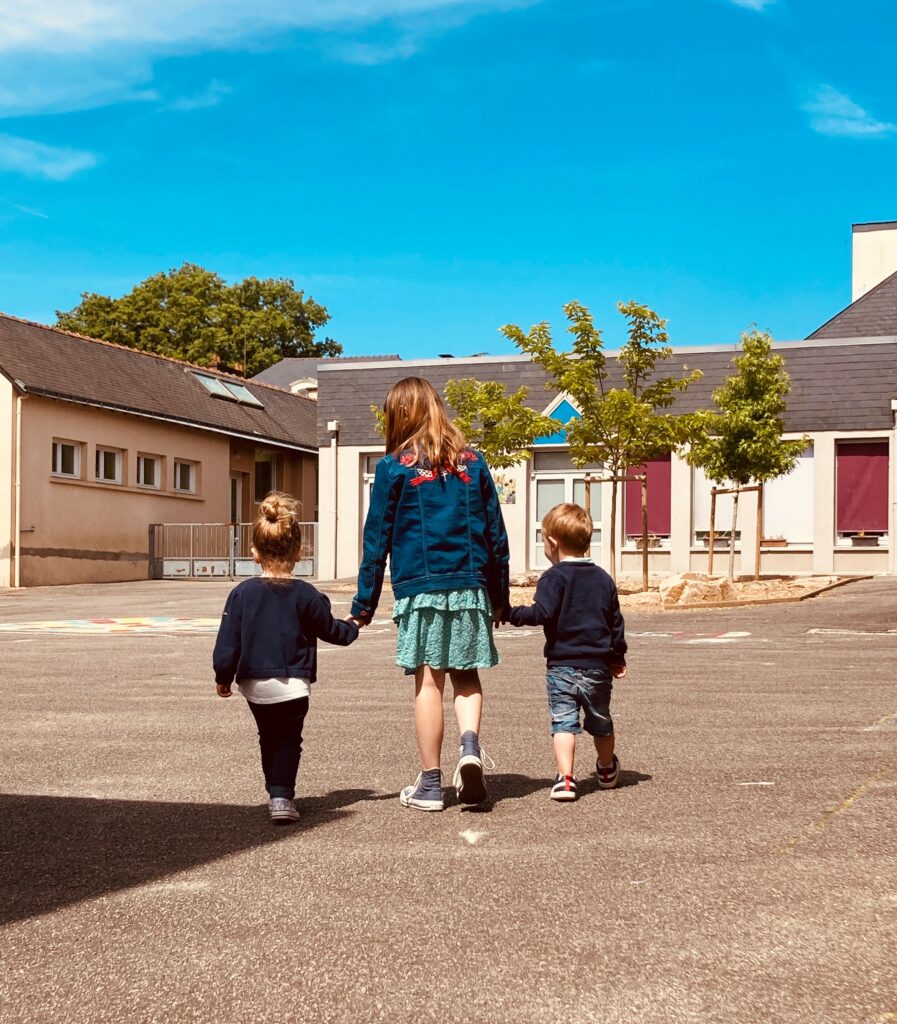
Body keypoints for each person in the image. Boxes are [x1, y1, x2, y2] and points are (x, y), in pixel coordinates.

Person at [352, 377, 510, 811]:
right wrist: (500, 596)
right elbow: (496, 534)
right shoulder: (473, 462)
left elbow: (376, 540)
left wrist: (363, 606)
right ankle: (470, 748)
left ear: (399, 415)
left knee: (428, 682)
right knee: (466, 676)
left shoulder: (393, 468)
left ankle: (429, 784)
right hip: (470, 586)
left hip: (419, 589)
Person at [214, 492, 359, 823]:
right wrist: (353, 626)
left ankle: (275, 791)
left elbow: (227, 642)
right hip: (293, 683)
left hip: (255, 685)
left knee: (268, 737)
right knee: (289, 739)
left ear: (254, 553)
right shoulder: (307, 594)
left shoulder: (241, 594)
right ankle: (281, 795)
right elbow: (331, 630)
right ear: (298, 553)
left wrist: (223, 676)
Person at [505, 502, 627, 802]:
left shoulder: (554, 577)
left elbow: (541, 613)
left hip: (561, 665)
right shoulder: (603, 579)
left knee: (563, 723)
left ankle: (566, 779)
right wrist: (617, 656)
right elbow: (615, 623)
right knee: (601, 720)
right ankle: (606, 768)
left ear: (553, 542)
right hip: (597, 666)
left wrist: (509, 613)